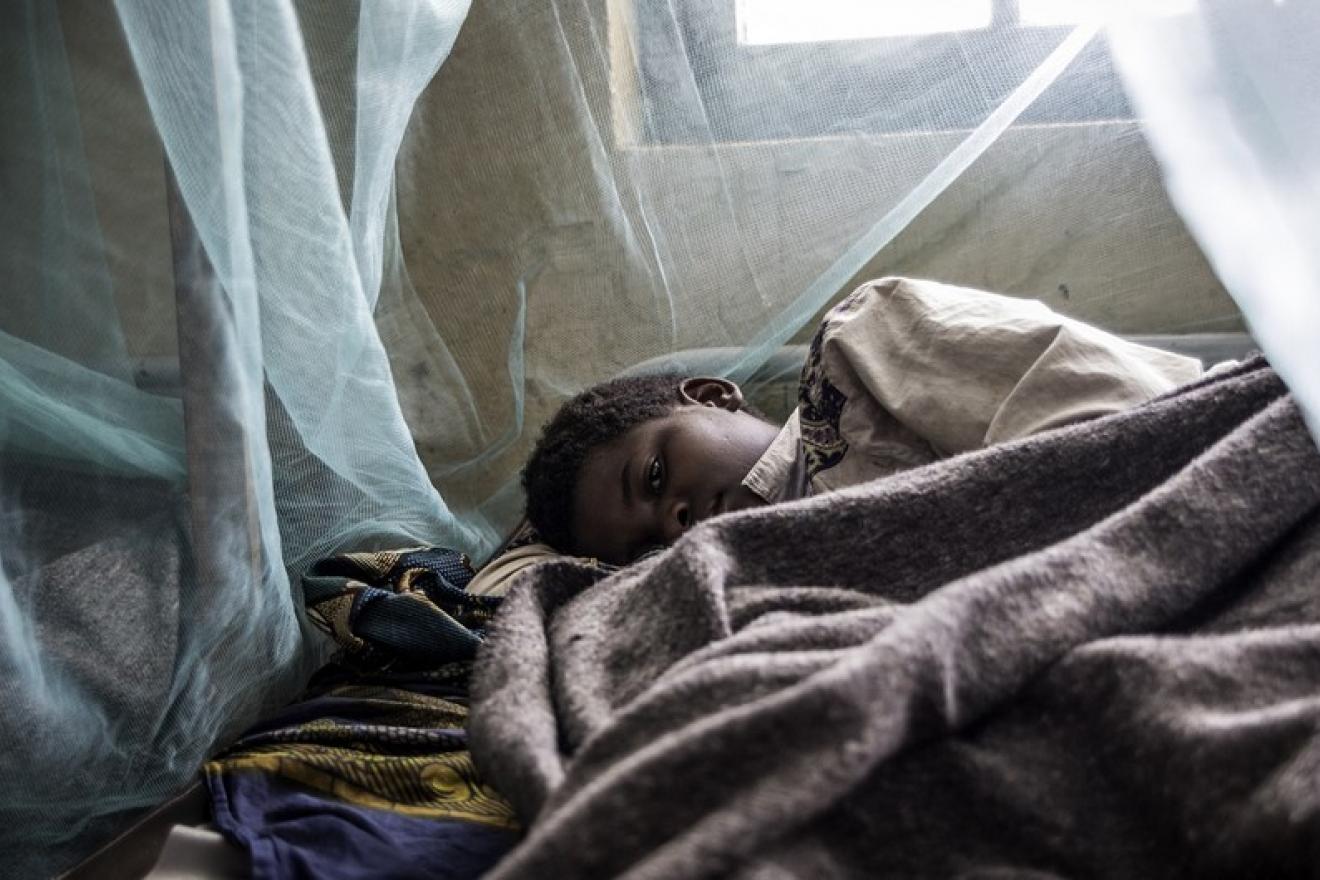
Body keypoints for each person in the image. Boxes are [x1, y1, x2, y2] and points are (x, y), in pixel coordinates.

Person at [465, 277, 1204, 593]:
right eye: (648, 548)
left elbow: (1126, 416)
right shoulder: (754, 585)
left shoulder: (861, 354)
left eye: (655, 478)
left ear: (713, 395)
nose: (674, 522)